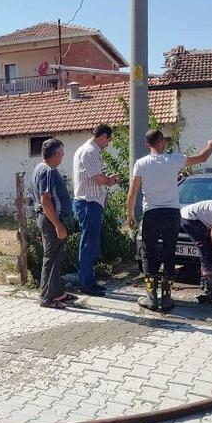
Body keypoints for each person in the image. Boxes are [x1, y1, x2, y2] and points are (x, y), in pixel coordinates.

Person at [125, 129, 212, 310]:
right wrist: (210, 145)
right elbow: (201, 158)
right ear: (163, 142)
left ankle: (151, 298)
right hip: (172, 214)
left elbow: (132, 192)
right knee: (169, 252)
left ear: (147, 145)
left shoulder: (141, 163)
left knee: (148, 253)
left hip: (152, 214)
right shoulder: (174, 159)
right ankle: (167, 298)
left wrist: (129, 215)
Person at [72, 123, 119, 297]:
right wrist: (110, 180)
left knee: (91, 245)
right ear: (103, 136)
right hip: (88, 203)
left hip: (89, 203)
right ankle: (85, 284)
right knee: (88, 245)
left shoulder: (88, 150)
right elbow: (98, 180)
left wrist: (106, 179)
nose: (108, 144)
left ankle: (89, 281)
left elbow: (96, 178)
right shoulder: (90, 152)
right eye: (108, 140)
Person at [31, 139, 75, 309]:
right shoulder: (48, 171)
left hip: (48, 219)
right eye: (61, 152)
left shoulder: (39, 168)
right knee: (50, 257)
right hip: (51, 220)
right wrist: (58, 225)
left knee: (56, 257)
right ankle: (46, 297)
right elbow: (46, 200)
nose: (63, 155)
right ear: (55, 154)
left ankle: (56, 292)